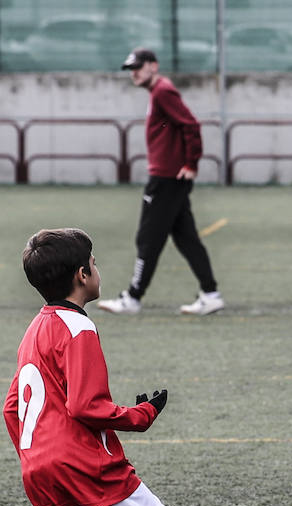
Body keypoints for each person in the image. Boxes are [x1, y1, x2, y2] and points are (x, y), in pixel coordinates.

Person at [5, 227, 219, 506]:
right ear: (83, 275)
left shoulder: (37, 326)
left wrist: (36, 453)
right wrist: (141, 414)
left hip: (38, 465)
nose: (99, 270)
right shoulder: (79, 326)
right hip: (77, 461)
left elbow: (11, 407)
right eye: (96, 263)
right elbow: (86, 406)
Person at [98, 48, 223, 316]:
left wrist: (191, 164)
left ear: (153, 66)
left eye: (138, 67)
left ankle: (132, 297)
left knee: (148, 239)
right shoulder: (158, 92)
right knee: (186, 238)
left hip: (167, 179)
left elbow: (191, 125)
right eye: (131, 69)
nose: (134, 73)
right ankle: (211, 294)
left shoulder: (163, 91)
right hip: (168, 178)